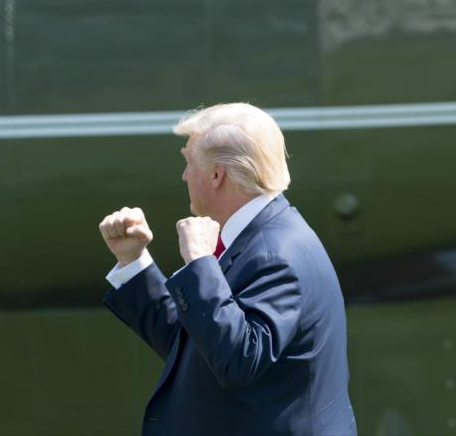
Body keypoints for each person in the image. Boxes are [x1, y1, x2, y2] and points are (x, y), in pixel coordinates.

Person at [98, 103, 356, 436]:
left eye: (188, 162)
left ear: (217, 175)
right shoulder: (260, 237)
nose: (184, 175)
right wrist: (134, 262)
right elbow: (201, 344)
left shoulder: (274, 254)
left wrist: (201, 263)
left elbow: (239, 360)